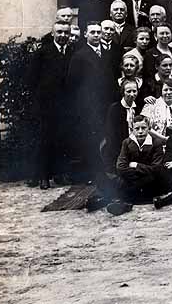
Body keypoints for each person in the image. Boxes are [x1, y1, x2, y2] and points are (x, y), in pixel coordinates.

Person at [26, 20, 73, 189]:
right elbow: (31, 80)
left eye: (66, 33)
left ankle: (59, 174)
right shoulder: (42, 53)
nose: (62, 36)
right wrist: (41, 99)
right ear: (53, 33)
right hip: (47, 106)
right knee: (45, 140)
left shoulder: (72, 52)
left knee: (63, 139)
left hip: (66, 106)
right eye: (59, 32)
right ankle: (43, 176)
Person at [67, 21, 116, 178]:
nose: (96, 35)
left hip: (106, 103)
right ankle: (92, 173)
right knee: (91, 138)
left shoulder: (107, 54)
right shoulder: (79, 56)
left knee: (106, 136)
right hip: (89, 105)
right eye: (93, 32)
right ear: (86, 35)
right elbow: (72, 85)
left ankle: (106, 169)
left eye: (98, 32)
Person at [108, 115, 165, 215]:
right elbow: (120, 167)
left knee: (152, 180)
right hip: (136, 179)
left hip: (150, 181)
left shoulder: (156, 143)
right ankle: (125, 203)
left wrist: (136, 165)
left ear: (149, 128)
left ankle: (125, 203)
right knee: (117, 179)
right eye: (137, 128)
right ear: (132, 129)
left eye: (143, 128)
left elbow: (156, 169)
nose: (140, 131)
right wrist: (144, 170)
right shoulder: (127, 143)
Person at [103, 80, 141, 173]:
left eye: (134, 91)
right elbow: (111, 135)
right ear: (123, 92)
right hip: (118, 150)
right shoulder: (114, 108)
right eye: (128, 91)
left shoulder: (138, 108)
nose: (132, 94)